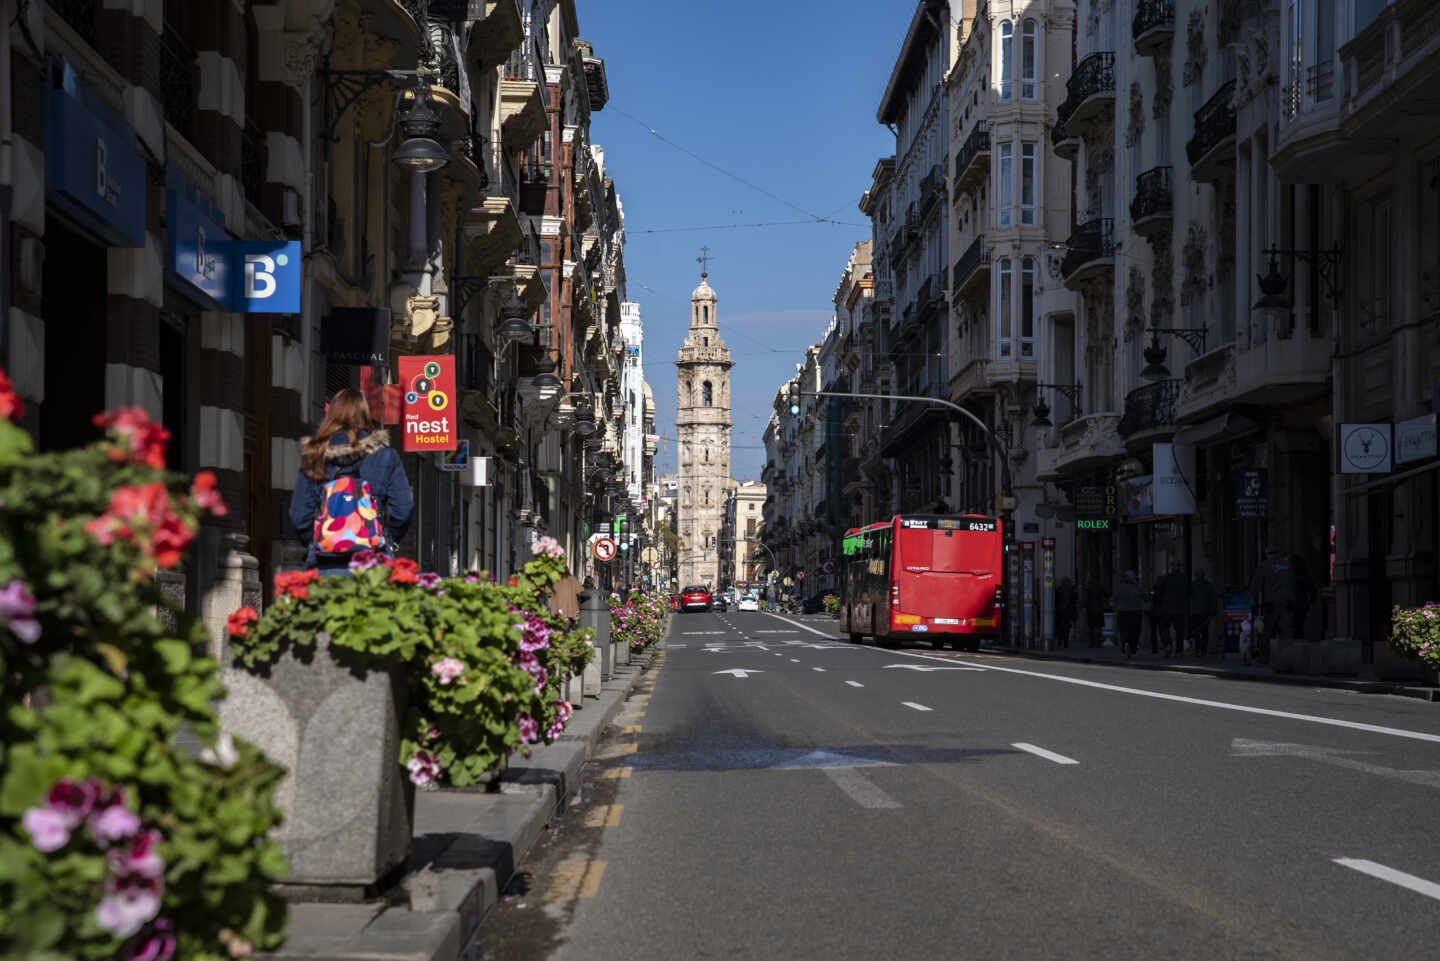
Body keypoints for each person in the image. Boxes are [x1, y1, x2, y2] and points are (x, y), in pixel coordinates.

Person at [288, 389, 413, 574]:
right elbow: (403, 508)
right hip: (374, 560)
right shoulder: (386, 455)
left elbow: (299, 516)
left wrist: (319, 542)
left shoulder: (315, 456)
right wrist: (386, 538)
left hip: (326, 562)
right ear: (365, 414)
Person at [1112, 570, 1146, 659]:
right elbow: (1145, 597)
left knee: (1123, 630)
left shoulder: (1120, 588)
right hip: (1135, 612)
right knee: (1135, 631)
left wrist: (1113, 605)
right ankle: (1132, 647)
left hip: (1123, 612)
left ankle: (1125, 644)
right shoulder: (1138, 587)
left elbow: (1114, 599)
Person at [1159, 561, 1188, 657]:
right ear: (1180, 567)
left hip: (1167, 608)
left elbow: (1159, 591)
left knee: (1164, 627)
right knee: (1179, 630)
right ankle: (1179, 651)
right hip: (1180, 608)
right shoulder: (1185, 578)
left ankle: (1167, 644)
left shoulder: (1166, 577)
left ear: (1171, 567)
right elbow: (1190, 592)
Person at [1189, 568, 1219, 656]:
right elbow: (1214, 599)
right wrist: (1213, 611)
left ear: (1195, 575)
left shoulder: (1192, 585)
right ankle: (1203, 650)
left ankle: (1198, 649)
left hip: (1195, 612)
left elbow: (1188, 598)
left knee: (1196, 631)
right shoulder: (1209, 585)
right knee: (1205, 632)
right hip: (1206, 612)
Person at [1054, 577, 1076, 648]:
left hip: (1060, 610)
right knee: (1066, 627)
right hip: (1067, 611)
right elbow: (1074, 601)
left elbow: (1056, 600)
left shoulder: (1059, 589)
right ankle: (1065, 642)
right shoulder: (1071, 590)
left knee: (1060, 627)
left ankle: (1060, 641)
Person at [1083, 579, 1107, 647]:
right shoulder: (1100, 588)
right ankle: (1098, 642)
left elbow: (1085, 599)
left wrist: (1084, 605)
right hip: (1099, 609)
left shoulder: (1088, 588)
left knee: (1091, 627)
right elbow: (1106, 595)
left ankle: (1092, 642)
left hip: (1090, 609)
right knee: (1098, 626)